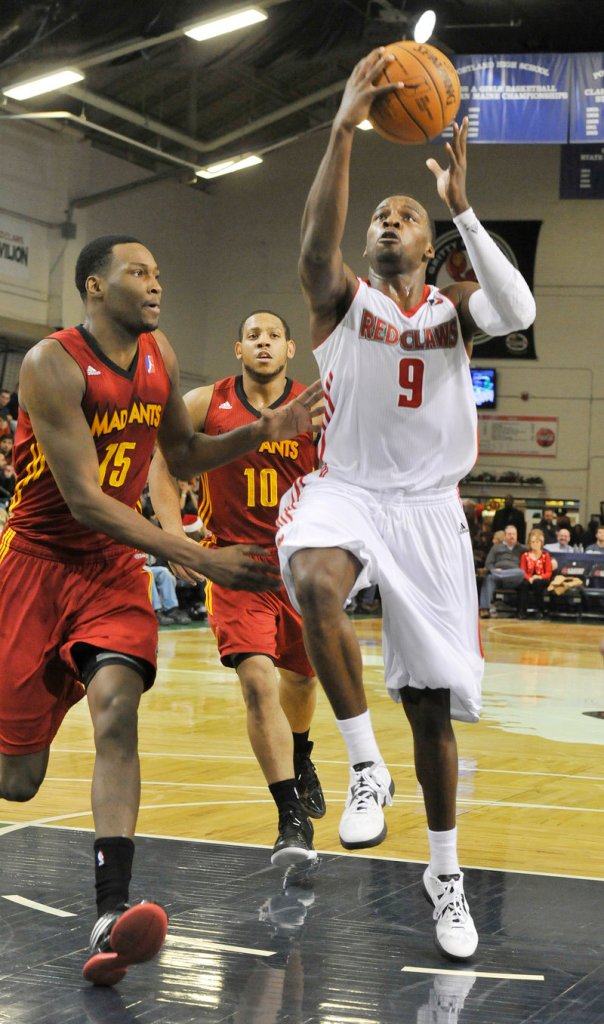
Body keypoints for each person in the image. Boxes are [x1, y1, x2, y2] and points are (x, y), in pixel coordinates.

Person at [0, 236, 321, 987]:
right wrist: (198, 554)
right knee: (17, 782)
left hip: (109, 572)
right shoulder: (50, 363)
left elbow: (180, 456)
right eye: (138, 273)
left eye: (158, 273)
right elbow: (84, 499)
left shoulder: (161, 356)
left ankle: (110, 910)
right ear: (93, 287)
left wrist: (255, 433)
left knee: (118, 708)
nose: (155, 285)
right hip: (38, 569)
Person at [274, 48, 535, 962]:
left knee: (430, 708)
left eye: (406, 216)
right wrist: (343, 129)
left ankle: (446, 872)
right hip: (346, 490)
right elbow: (315, 246)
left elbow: (519, 306)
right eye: (381, 216)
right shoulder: (341, 301)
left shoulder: (455, 312)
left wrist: (462, 202)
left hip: (429, 511)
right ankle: (360, 766)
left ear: (429, 246)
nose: (389, 222)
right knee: (311, 581)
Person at [149, 310, 325, 868]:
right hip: (235, 562)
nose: (264, 343)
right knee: (257, 680)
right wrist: (175, 535)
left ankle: (301, 754)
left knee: (300, 678)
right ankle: (289, 815)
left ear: (291, 348)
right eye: (253, 335)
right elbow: (163, 460)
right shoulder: (206, 402)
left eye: (274, 335)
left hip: (299, 564)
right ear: (238, 348)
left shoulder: (316, 406)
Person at [479, 524, 526, 617]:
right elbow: (488, 564)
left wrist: (552, 559)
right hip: (497, 579)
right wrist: (493, 569)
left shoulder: (522, 548)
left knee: (521, 572)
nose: (512, 536)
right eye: (509, 534)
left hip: (513, 579)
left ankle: (499, 574)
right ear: (505, 536)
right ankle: (484, 609)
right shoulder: (496, 547)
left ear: (517, 535)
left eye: (514, 534)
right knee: (488, 578)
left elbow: (539, 549)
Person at [517, 529, 553, 618]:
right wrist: (529, 578)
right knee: (523, 584)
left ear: (541, 543)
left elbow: (548, 573)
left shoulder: (546, 555)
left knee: (537, 583)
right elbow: (522, 571)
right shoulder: (525, 556)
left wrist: (539, 577)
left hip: (542, 579)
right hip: (529, 578)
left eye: (537, 542)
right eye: (532, 542)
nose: (535, 544)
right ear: (529, 543)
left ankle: (539, 610)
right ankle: (522, 611)